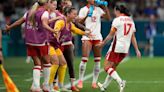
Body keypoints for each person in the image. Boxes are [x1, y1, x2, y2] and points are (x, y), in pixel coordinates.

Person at [5, 0, 55, 91]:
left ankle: (36, 86)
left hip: (30, 42)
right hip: (41, 41)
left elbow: (19, 22)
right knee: (47, 63)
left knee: (37, 64)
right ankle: (45, 85)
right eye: (49, 2)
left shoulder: (29, 12)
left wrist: (9, 27)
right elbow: (44, 24)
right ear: (46, 3)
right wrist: (53, 30)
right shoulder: (45, 13)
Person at [96, 5, 141, 92]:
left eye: (114, 11)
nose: (114, 13)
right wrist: (136, 49)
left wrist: (102, 44)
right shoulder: (131, 21)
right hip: (125, 48)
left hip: (116, 47)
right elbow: (133, 37)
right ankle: (104, 86)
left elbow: (111, 34)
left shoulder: (117, 20)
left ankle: (120, 82)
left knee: (106, 67)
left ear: (118, 11)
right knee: (113, 68)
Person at [77, 0, 110, 89]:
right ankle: (80, 80)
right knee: (84, 59)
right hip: (87, 36)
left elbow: (108, 18)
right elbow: (79, 22)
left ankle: (94, 82)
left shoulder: (98, 9)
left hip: (97, 37)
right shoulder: (83, 9)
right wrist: (87, 15)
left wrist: (105, 7)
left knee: (97, 60)